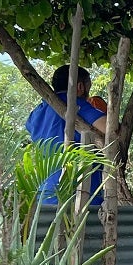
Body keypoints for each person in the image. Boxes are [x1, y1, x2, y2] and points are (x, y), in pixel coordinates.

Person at [24, 64, 108, 205]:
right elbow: (110, 128)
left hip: (45, 192)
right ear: (80, 87)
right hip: (79, 192)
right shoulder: (75, 104)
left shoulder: (37, 112)